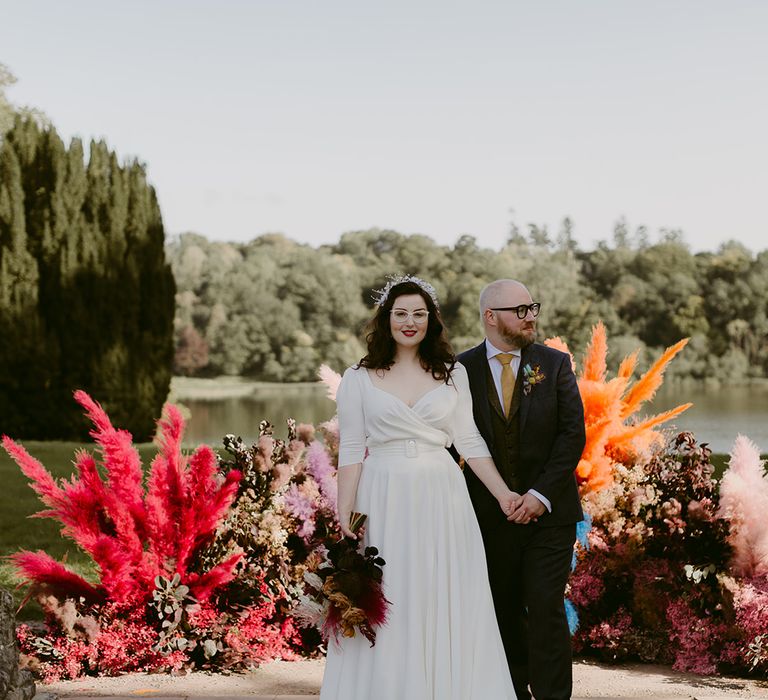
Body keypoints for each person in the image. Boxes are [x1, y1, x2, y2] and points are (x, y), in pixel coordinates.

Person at [320, 276, 518, 700]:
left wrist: (503, 494)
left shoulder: (453, 373)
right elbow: (352, 449)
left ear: (431, 321)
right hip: (384, 494)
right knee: (391, 593)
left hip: (442, 494)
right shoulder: (359, 377)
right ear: (386, 319)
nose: (410, 322)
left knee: (443, 592)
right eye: (401, 314)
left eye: (419, 314)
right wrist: (345, 511)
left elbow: (468, 440)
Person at [457, 279, 586, 700]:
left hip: (551, 515)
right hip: (489, 516)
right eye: (521, 310)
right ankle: (512, 692)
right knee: (502, 609)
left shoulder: (554, 363)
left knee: (546, 605)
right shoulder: (459, 370)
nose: (531, 317)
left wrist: (539, 497)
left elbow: (572, 436)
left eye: (534, 308)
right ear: (490, 317)